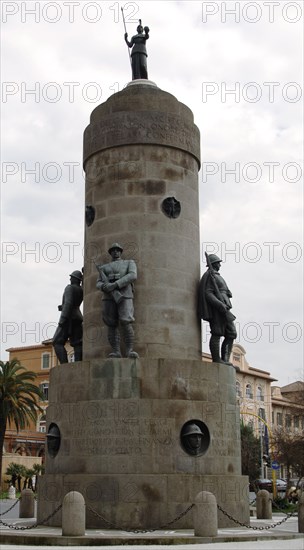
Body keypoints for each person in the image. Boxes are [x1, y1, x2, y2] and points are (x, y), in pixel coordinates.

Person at [96, 243, 139, 358]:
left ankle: (129, 350)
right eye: (113, 250)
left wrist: (115, 284)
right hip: (108, 297)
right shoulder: (104, 267)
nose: (115, 252)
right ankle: (116, 351)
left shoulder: (129, 263)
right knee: (111, 323)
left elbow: (132, 276)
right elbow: (98, 282)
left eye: (117, 250)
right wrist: (104, 287)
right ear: (110, 253)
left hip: (124, 294)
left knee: (126, 321)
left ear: (121, 252)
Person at [198, 254, 237, 365]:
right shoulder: (210, 275)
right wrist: (219, 304)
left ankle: (225, 359)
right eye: (218, 262)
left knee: (232, 333)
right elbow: (208, 293)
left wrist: (227, 293)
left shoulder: (216, 276)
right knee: (217, 333)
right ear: (214, 264)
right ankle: (217, 360)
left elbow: (223, 290)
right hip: (217, 309)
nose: (220, 264)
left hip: (225, 308)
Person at [53, 270, 83, 364]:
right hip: (78, 317)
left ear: (75, 279)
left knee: (57, 341)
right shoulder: (81, 289)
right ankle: (78, 363)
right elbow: (74, 303)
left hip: (69, 317)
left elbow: (69, 303)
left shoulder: (69, 288)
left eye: (72, 277)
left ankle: (64, 364)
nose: (70, 278)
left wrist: (62, 319)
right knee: (77, 343)